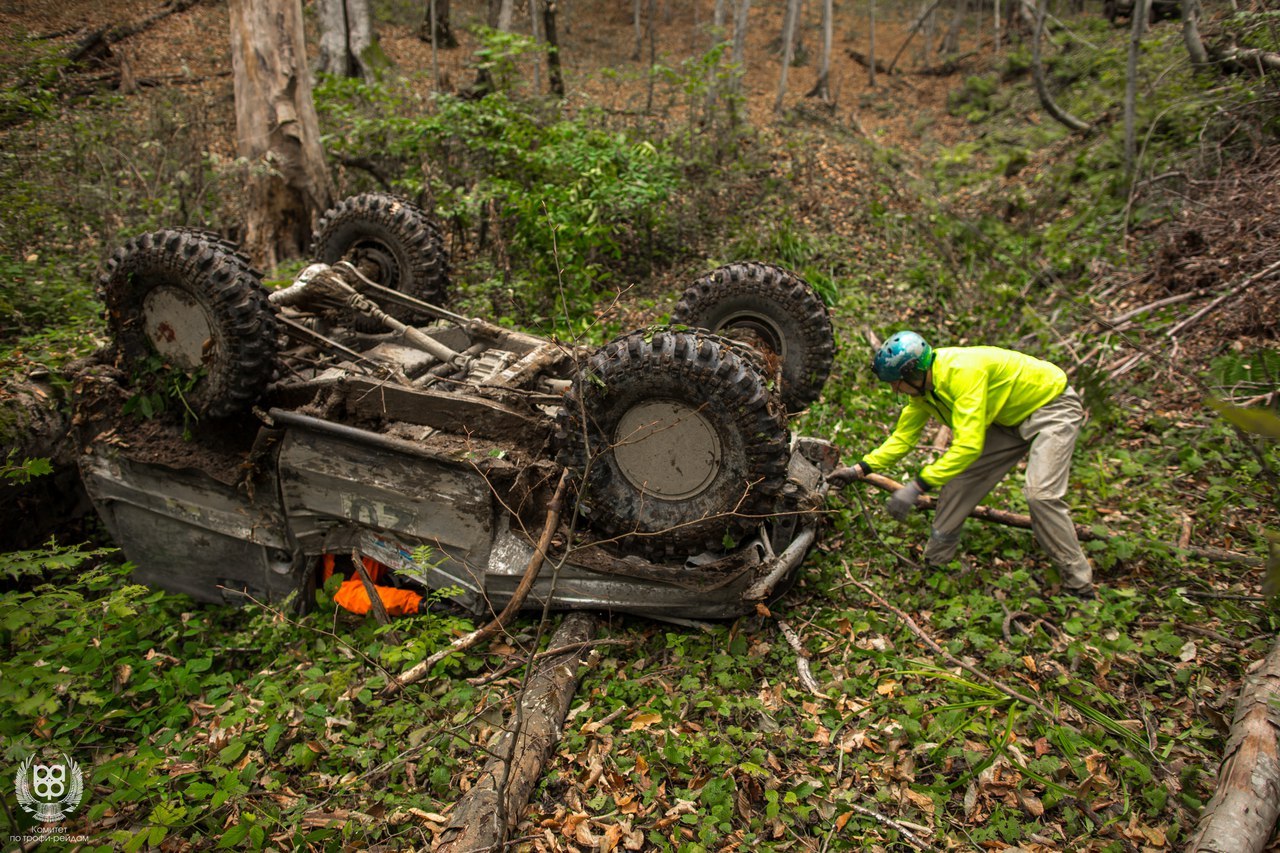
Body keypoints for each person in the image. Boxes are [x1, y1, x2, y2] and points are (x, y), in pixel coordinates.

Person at [850, 331, 1096, 599]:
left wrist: (917, 486)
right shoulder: (922, 394)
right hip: (1006, 418)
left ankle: (1079, 584)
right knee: (959, 481)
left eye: (897, 383)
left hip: (1052, 406)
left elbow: (968, 445)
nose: (894, 390)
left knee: (1041, 495)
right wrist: (860, 469)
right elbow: (902, 437)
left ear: (913, 374)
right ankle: (937, 564)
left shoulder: (963, 372)